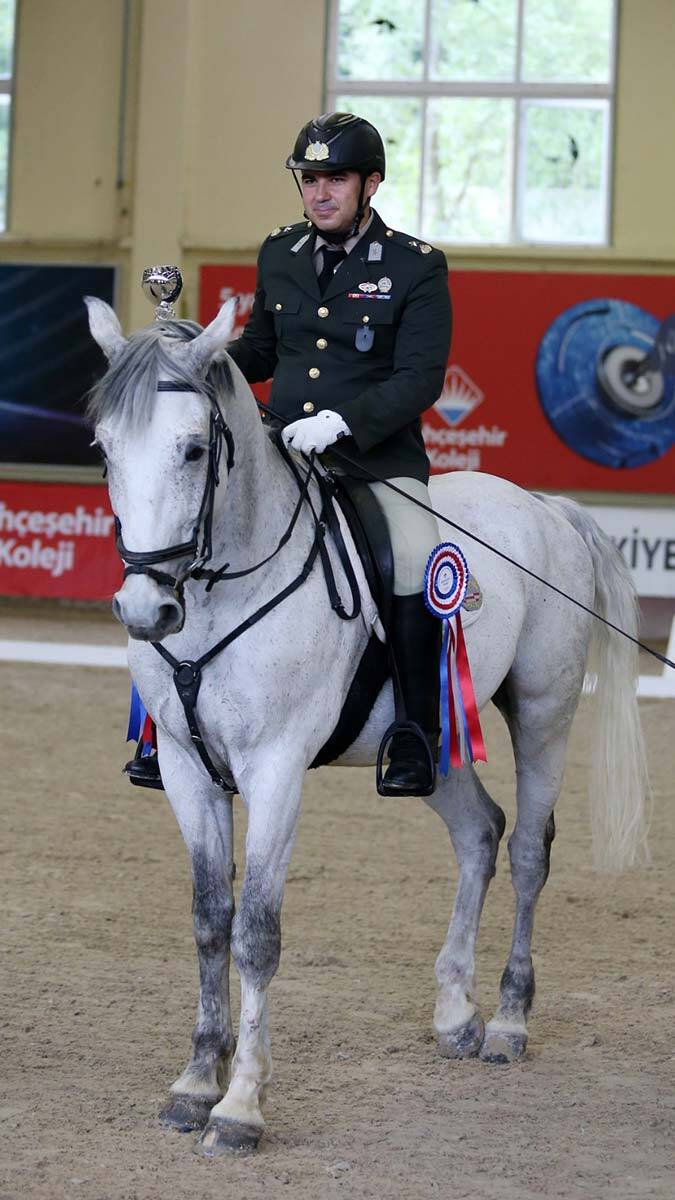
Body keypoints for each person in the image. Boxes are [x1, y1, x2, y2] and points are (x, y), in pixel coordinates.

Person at [130, 112, 452, 796]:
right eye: (309, 179)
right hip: (282, 446)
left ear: (369, 183)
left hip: (374, 457)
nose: (319, 192)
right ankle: (166, 728)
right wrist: (189, 360)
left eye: (334, 178)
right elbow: (262, 351)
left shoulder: (413, 264)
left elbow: (419, 377)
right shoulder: (279, 252)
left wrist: (346, 422)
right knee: (184, 536)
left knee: (414, 560)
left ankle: (415, 734)